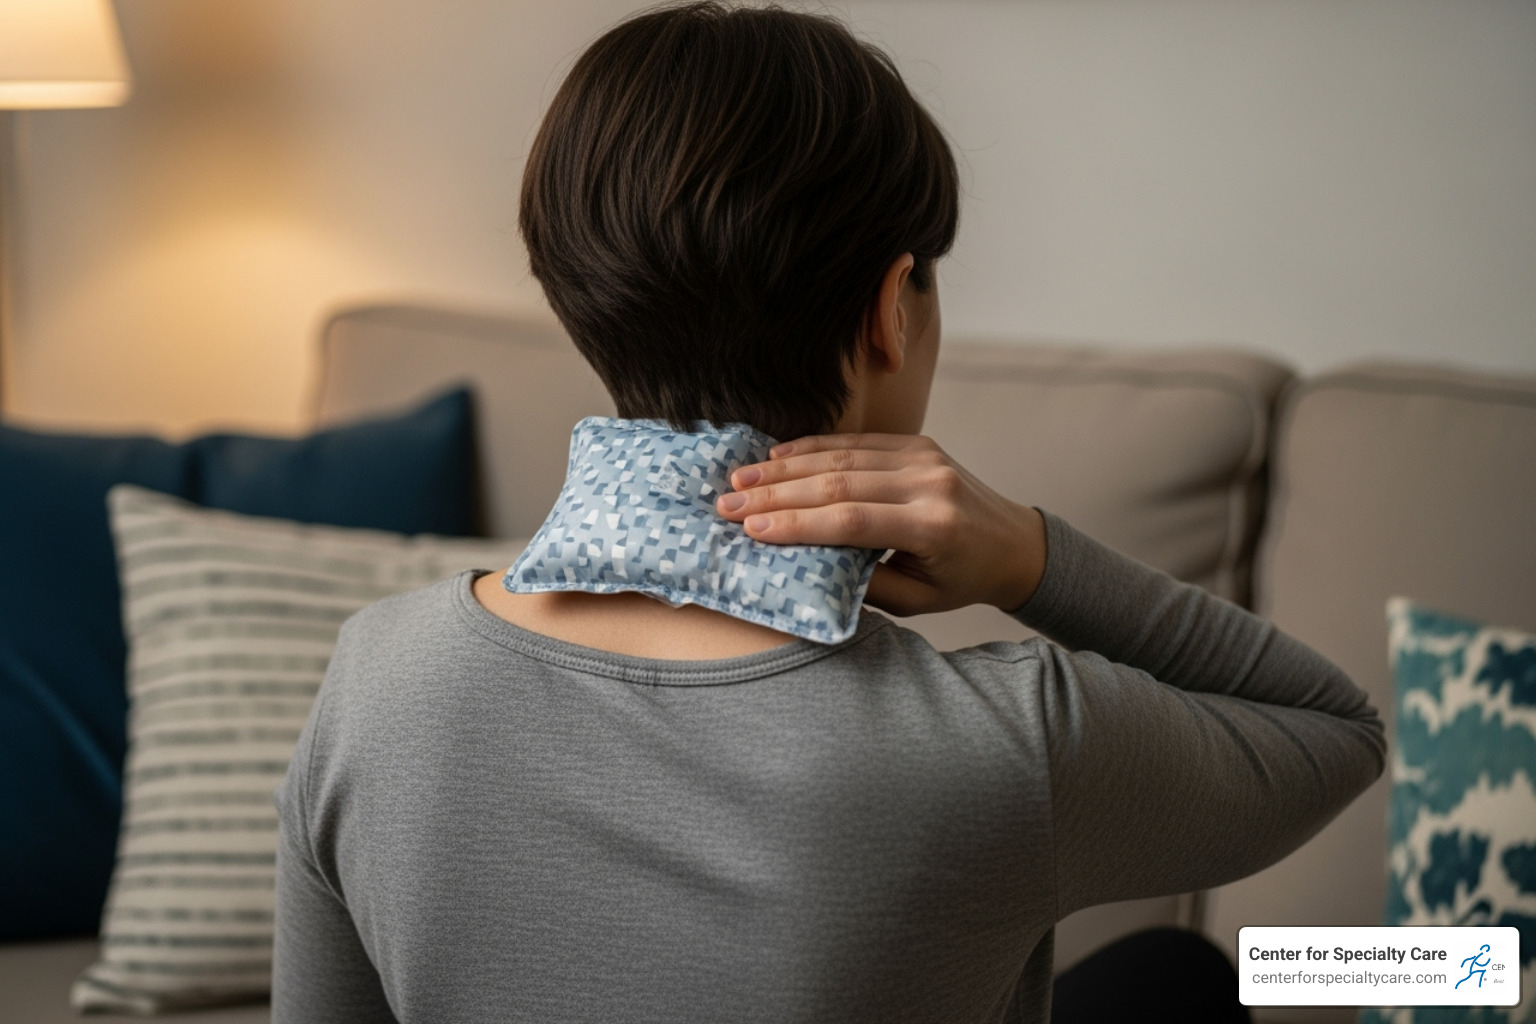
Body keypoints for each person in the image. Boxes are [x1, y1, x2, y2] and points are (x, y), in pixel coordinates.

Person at [270, 4, 1386, 1022]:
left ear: (577, 292)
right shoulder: (1005, 740)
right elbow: (1336, 732)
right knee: (1185, 976)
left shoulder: (376, 681)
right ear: (891, 308)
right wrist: (1030, 558)